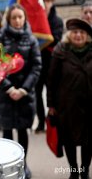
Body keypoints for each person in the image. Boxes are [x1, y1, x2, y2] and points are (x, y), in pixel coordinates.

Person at [0, 3, 42, 179]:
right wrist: (9, 88)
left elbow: (36, 66)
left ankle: (22, 165)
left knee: (22, 131)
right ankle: (8, 166)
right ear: (9, 20)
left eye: (21, 17)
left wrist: (23, 89)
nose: (18, 20)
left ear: (25, 18)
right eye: (14, 17)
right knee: (6, 132)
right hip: (6, 94)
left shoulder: (31, 39)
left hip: (24, 94)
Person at [47, 18, 92, 179]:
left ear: (87, 36)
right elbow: (51, 80)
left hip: (89, 107)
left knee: (88, 141)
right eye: (75, 32)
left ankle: (84, 170)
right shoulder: (60, 52)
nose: (78, 35)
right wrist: (51, 105)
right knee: (69, 140)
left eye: (82, 32)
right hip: (66, 106)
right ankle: (73, 171)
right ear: (69, 34)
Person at [35, 0, 63, 133]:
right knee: (37, 94)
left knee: (53, 95)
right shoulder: (35, 20)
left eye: (48, 1)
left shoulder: (57, 20)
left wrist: (44, 41)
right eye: (43, 1)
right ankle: (40, 123)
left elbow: (57, 40)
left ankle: (52, 121)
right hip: (38, 64)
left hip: (52, 64)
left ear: (52, 3)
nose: (45, 4)